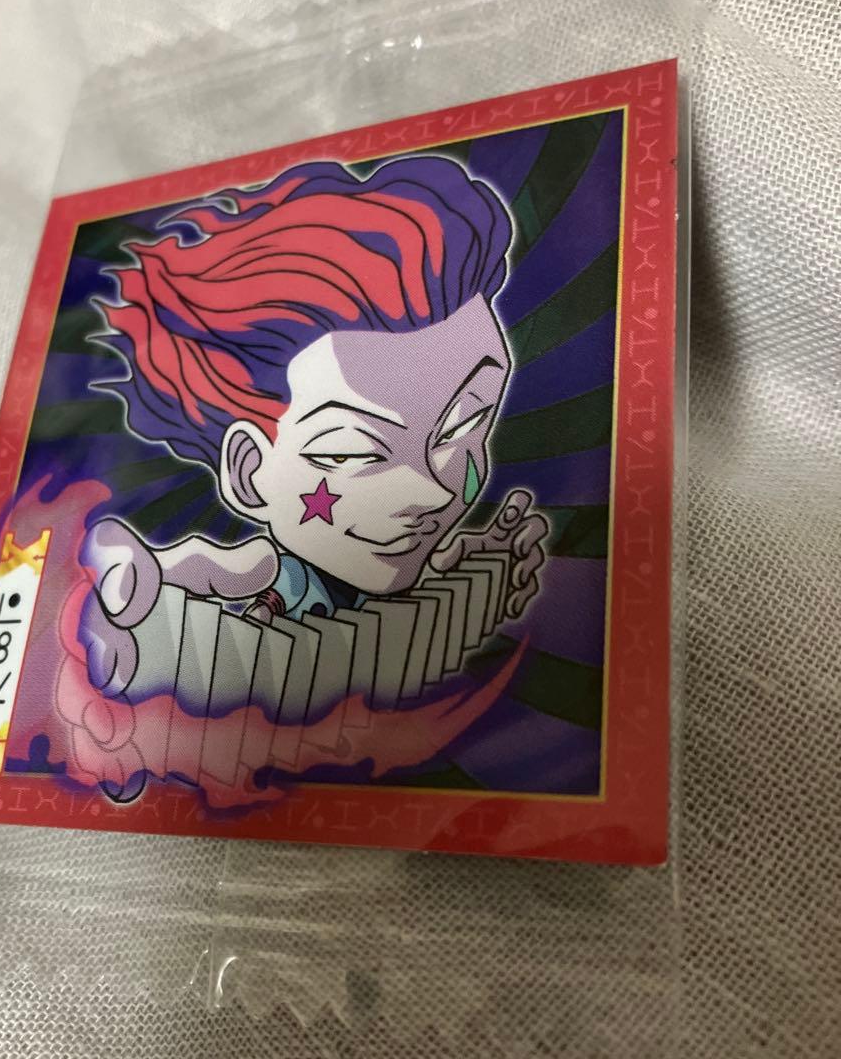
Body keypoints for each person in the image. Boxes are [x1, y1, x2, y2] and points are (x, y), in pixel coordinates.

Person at [77, 157, 547, 703]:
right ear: (250, 475)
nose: (436, 490)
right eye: (356, 453)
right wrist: (146, 610)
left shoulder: (405, 577)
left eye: (464, 427)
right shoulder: (264, 580)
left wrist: (467, 579)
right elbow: (204, 578)